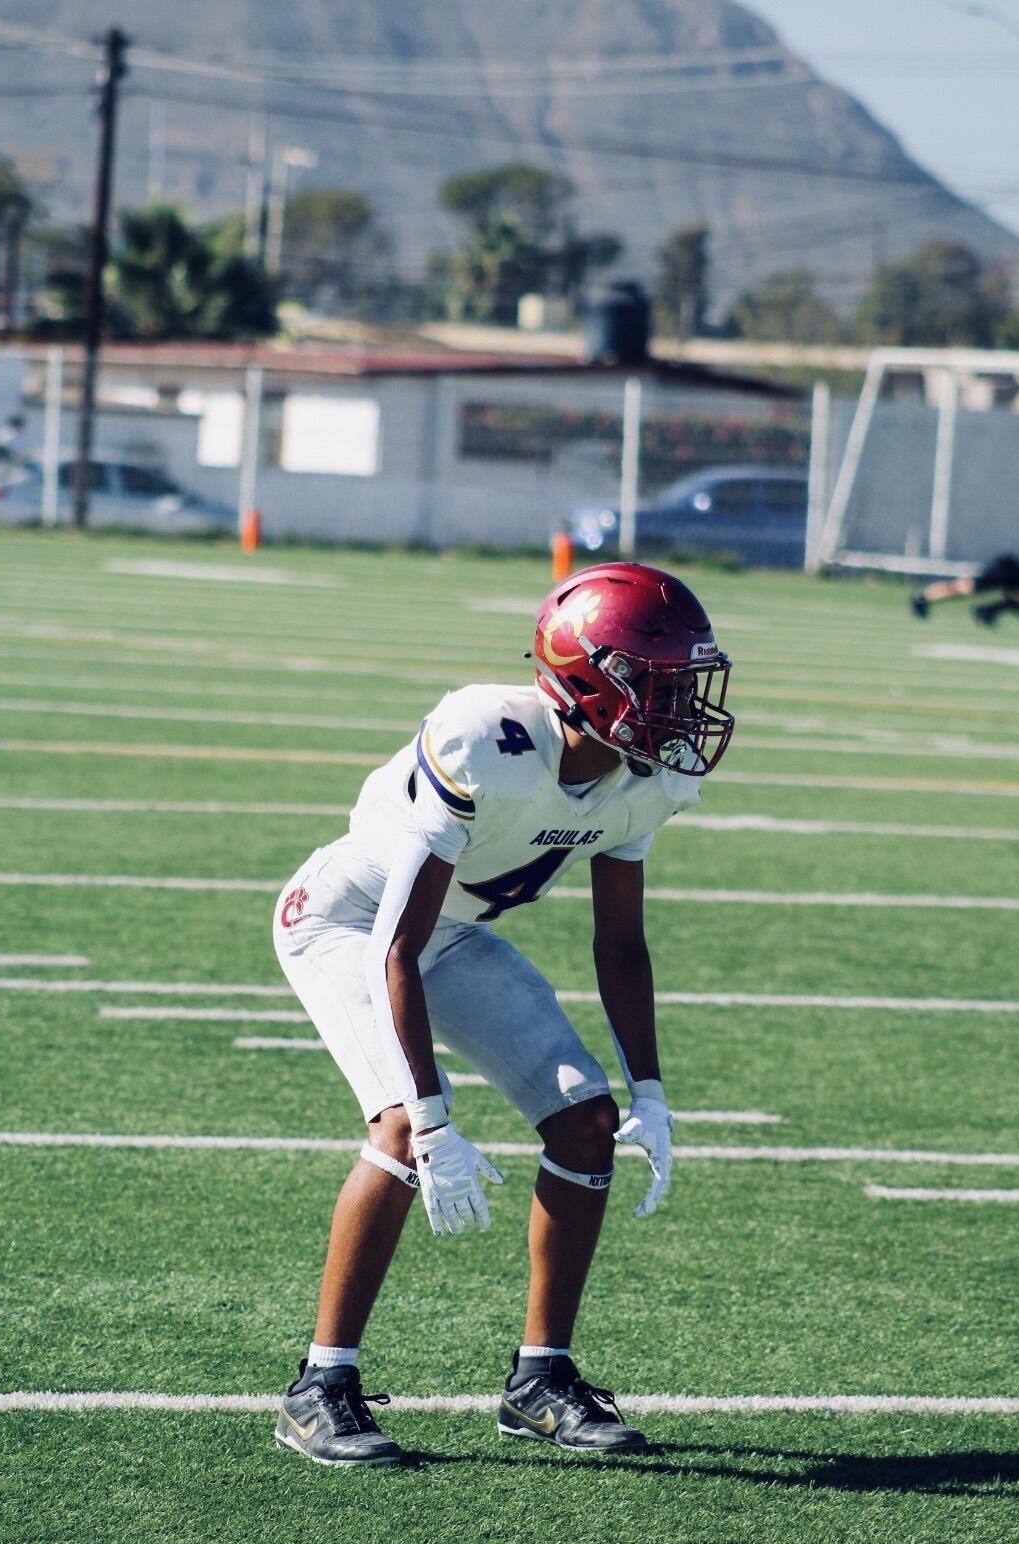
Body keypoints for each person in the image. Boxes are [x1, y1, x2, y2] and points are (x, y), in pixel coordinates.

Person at [271, 561, 735, 1465]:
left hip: (445, 934)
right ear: (590, 678)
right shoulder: (487, 737)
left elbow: (621, 945)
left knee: (587, 1122)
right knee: (402, 1126)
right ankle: (318, 1389)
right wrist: (434, 1122)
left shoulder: (646, 780)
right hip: (349, 923)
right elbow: (392, 949)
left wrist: (649, 1090)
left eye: (685, 684)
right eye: (658, 684)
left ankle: (540, 1381)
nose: (680, 707)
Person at [910, 553, 1019, 627]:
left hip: (1013, 578)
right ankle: (922, 598)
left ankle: (987, 611)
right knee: (966, 588)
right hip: (1006, 573)